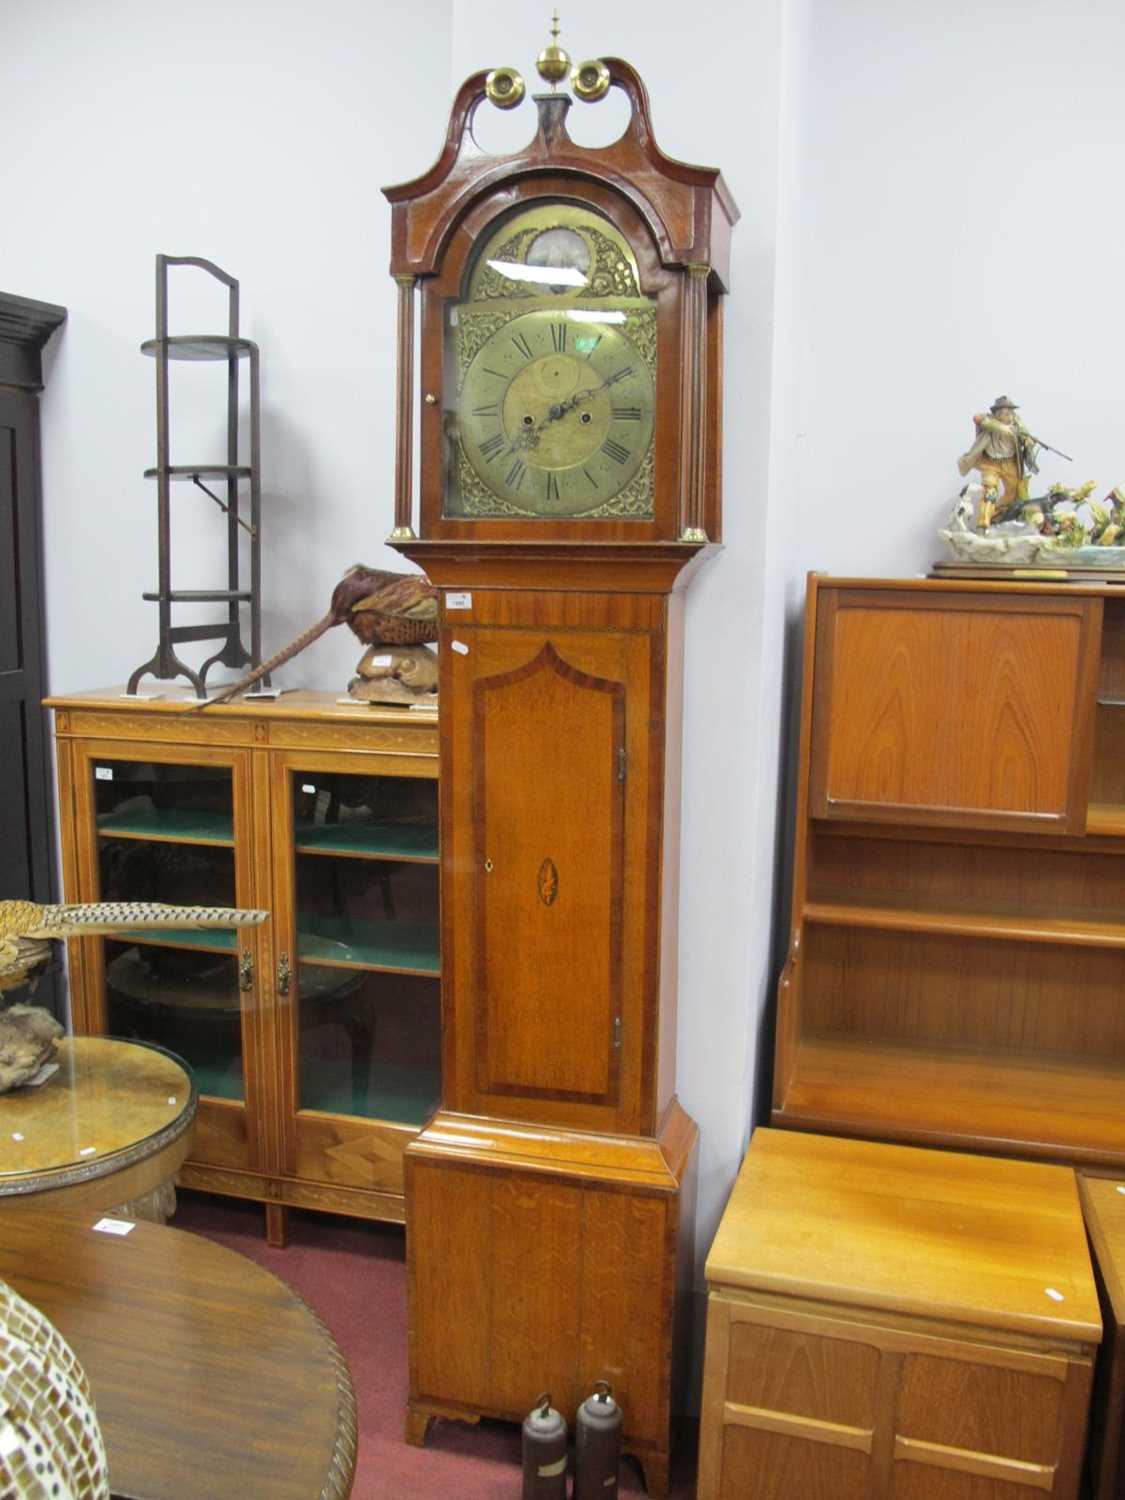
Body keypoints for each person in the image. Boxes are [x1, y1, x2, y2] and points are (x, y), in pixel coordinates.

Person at [958, 396, 1040, 529]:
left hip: (1010, 462)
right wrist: (1002, 429)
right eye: (1004, 410)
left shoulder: (1017, 424)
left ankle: (996, 516)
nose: (1007, 413)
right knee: (990, 491)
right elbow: (977, 418)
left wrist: (1028, 442)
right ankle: (983, 524)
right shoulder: (989, 421)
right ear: (997, 412)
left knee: (1014, 493)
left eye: (1009, 410)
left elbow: (1025, 436)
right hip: (991, 463)